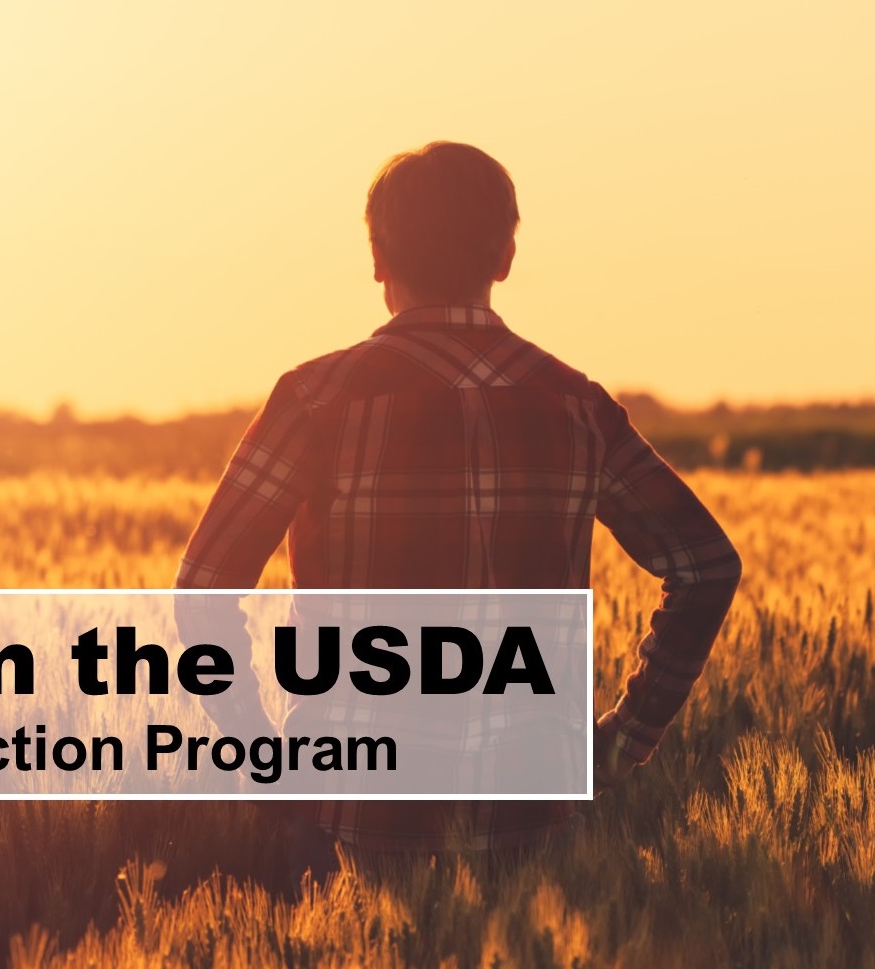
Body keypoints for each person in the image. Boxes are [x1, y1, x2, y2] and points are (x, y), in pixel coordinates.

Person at [173, 141, 743, 865]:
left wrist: (265, 755)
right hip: (534, 804)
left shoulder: (316, 401)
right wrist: (616, 745)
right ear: (505, 256)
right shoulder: (576, 406)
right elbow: (704, 566)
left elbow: (201, 592)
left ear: (377, 258)